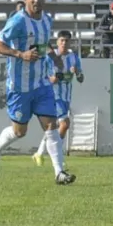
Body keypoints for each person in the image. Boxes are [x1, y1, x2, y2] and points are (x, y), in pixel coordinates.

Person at [0, 0, 75, 184]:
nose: (37, 1)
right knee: (20, 132)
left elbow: (43, 43)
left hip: (41, 84)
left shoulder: (47, 20)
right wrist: (20, 54)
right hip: (20, 87)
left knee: (52, 126)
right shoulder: (18, 21)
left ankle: (59, 173)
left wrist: (54, 56)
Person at [33, 30, 82, 167]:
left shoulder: (74, 58)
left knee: (52, 128)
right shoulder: (50, 58)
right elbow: (42, 76)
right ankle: (56, 154)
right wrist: (52, 79)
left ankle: (39, 153)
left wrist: (77, 72)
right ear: (57, 42)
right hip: (52, 95)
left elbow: (81, 78)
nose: (64, 43)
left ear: (70, 42)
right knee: (65, 124)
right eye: (62, 40)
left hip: (66, 96)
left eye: (67, 41)